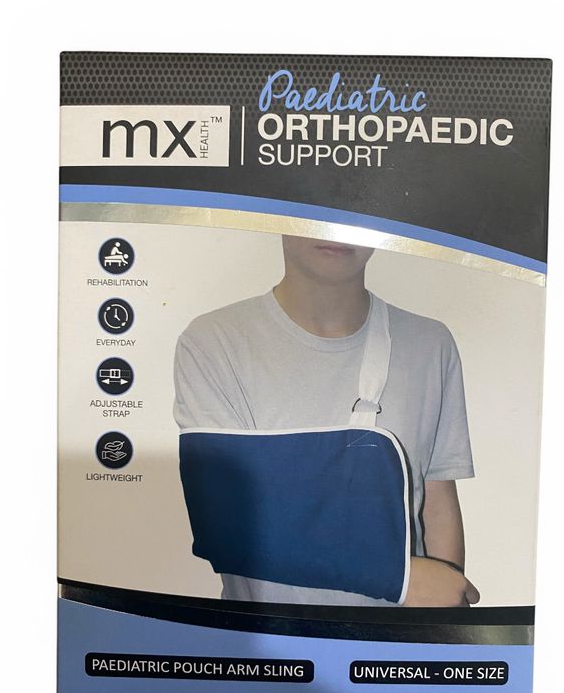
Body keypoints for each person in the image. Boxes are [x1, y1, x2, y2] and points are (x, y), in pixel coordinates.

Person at [173, 235, 479, 607]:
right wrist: (398, 579)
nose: (335, 230)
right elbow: (225, 526)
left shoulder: (429, 344)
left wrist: (441, 619)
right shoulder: (214, 342)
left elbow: (436, 501)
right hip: (265, 636)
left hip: (392, 637)